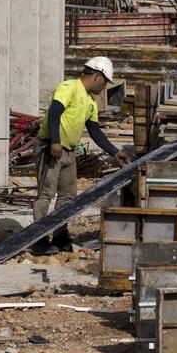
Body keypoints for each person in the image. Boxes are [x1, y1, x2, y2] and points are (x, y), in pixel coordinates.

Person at [31, 56, 131, 255]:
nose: (105, 87)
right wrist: (56, 141)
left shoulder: (90, 102)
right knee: (45, 194)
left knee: (68, 196)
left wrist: (115, 152)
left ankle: (60, 236)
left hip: (68, 152)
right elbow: (54, 113)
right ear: (96, 76)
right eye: (105, 81)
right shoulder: (69, 88)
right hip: (50, 148)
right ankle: (38, 239)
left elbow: (95, 132)